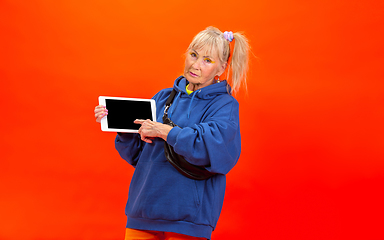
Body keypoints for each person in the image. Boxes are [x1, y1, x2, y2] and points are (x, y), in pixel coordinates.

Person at [94, 26, 249, 240]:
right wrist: (124, 130)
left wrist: (167, 132)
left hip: (188, 220)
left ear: (221, 68)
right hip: (144, 211)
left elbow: (214, 150)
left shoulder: (224, 105)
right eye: (193, 55)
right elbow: (140, 157)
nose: (195, 65)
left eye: (207, 60)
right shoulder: (163, 97)